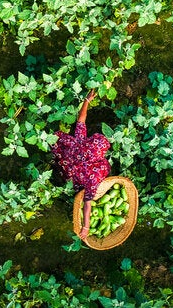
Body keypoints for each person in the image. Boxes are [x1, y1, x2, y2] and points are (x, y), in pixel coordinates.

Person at [50, 89, 111, 240]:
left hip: (65, 152)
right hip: (71, 172)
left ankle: (51, 149)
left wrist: (87, 100)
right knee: (71, 180)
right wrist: (86, 227)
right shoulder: (94, 177)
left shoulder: (80, 142)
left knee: (61, 154)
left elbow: (81, 120)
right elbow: (87, 203)